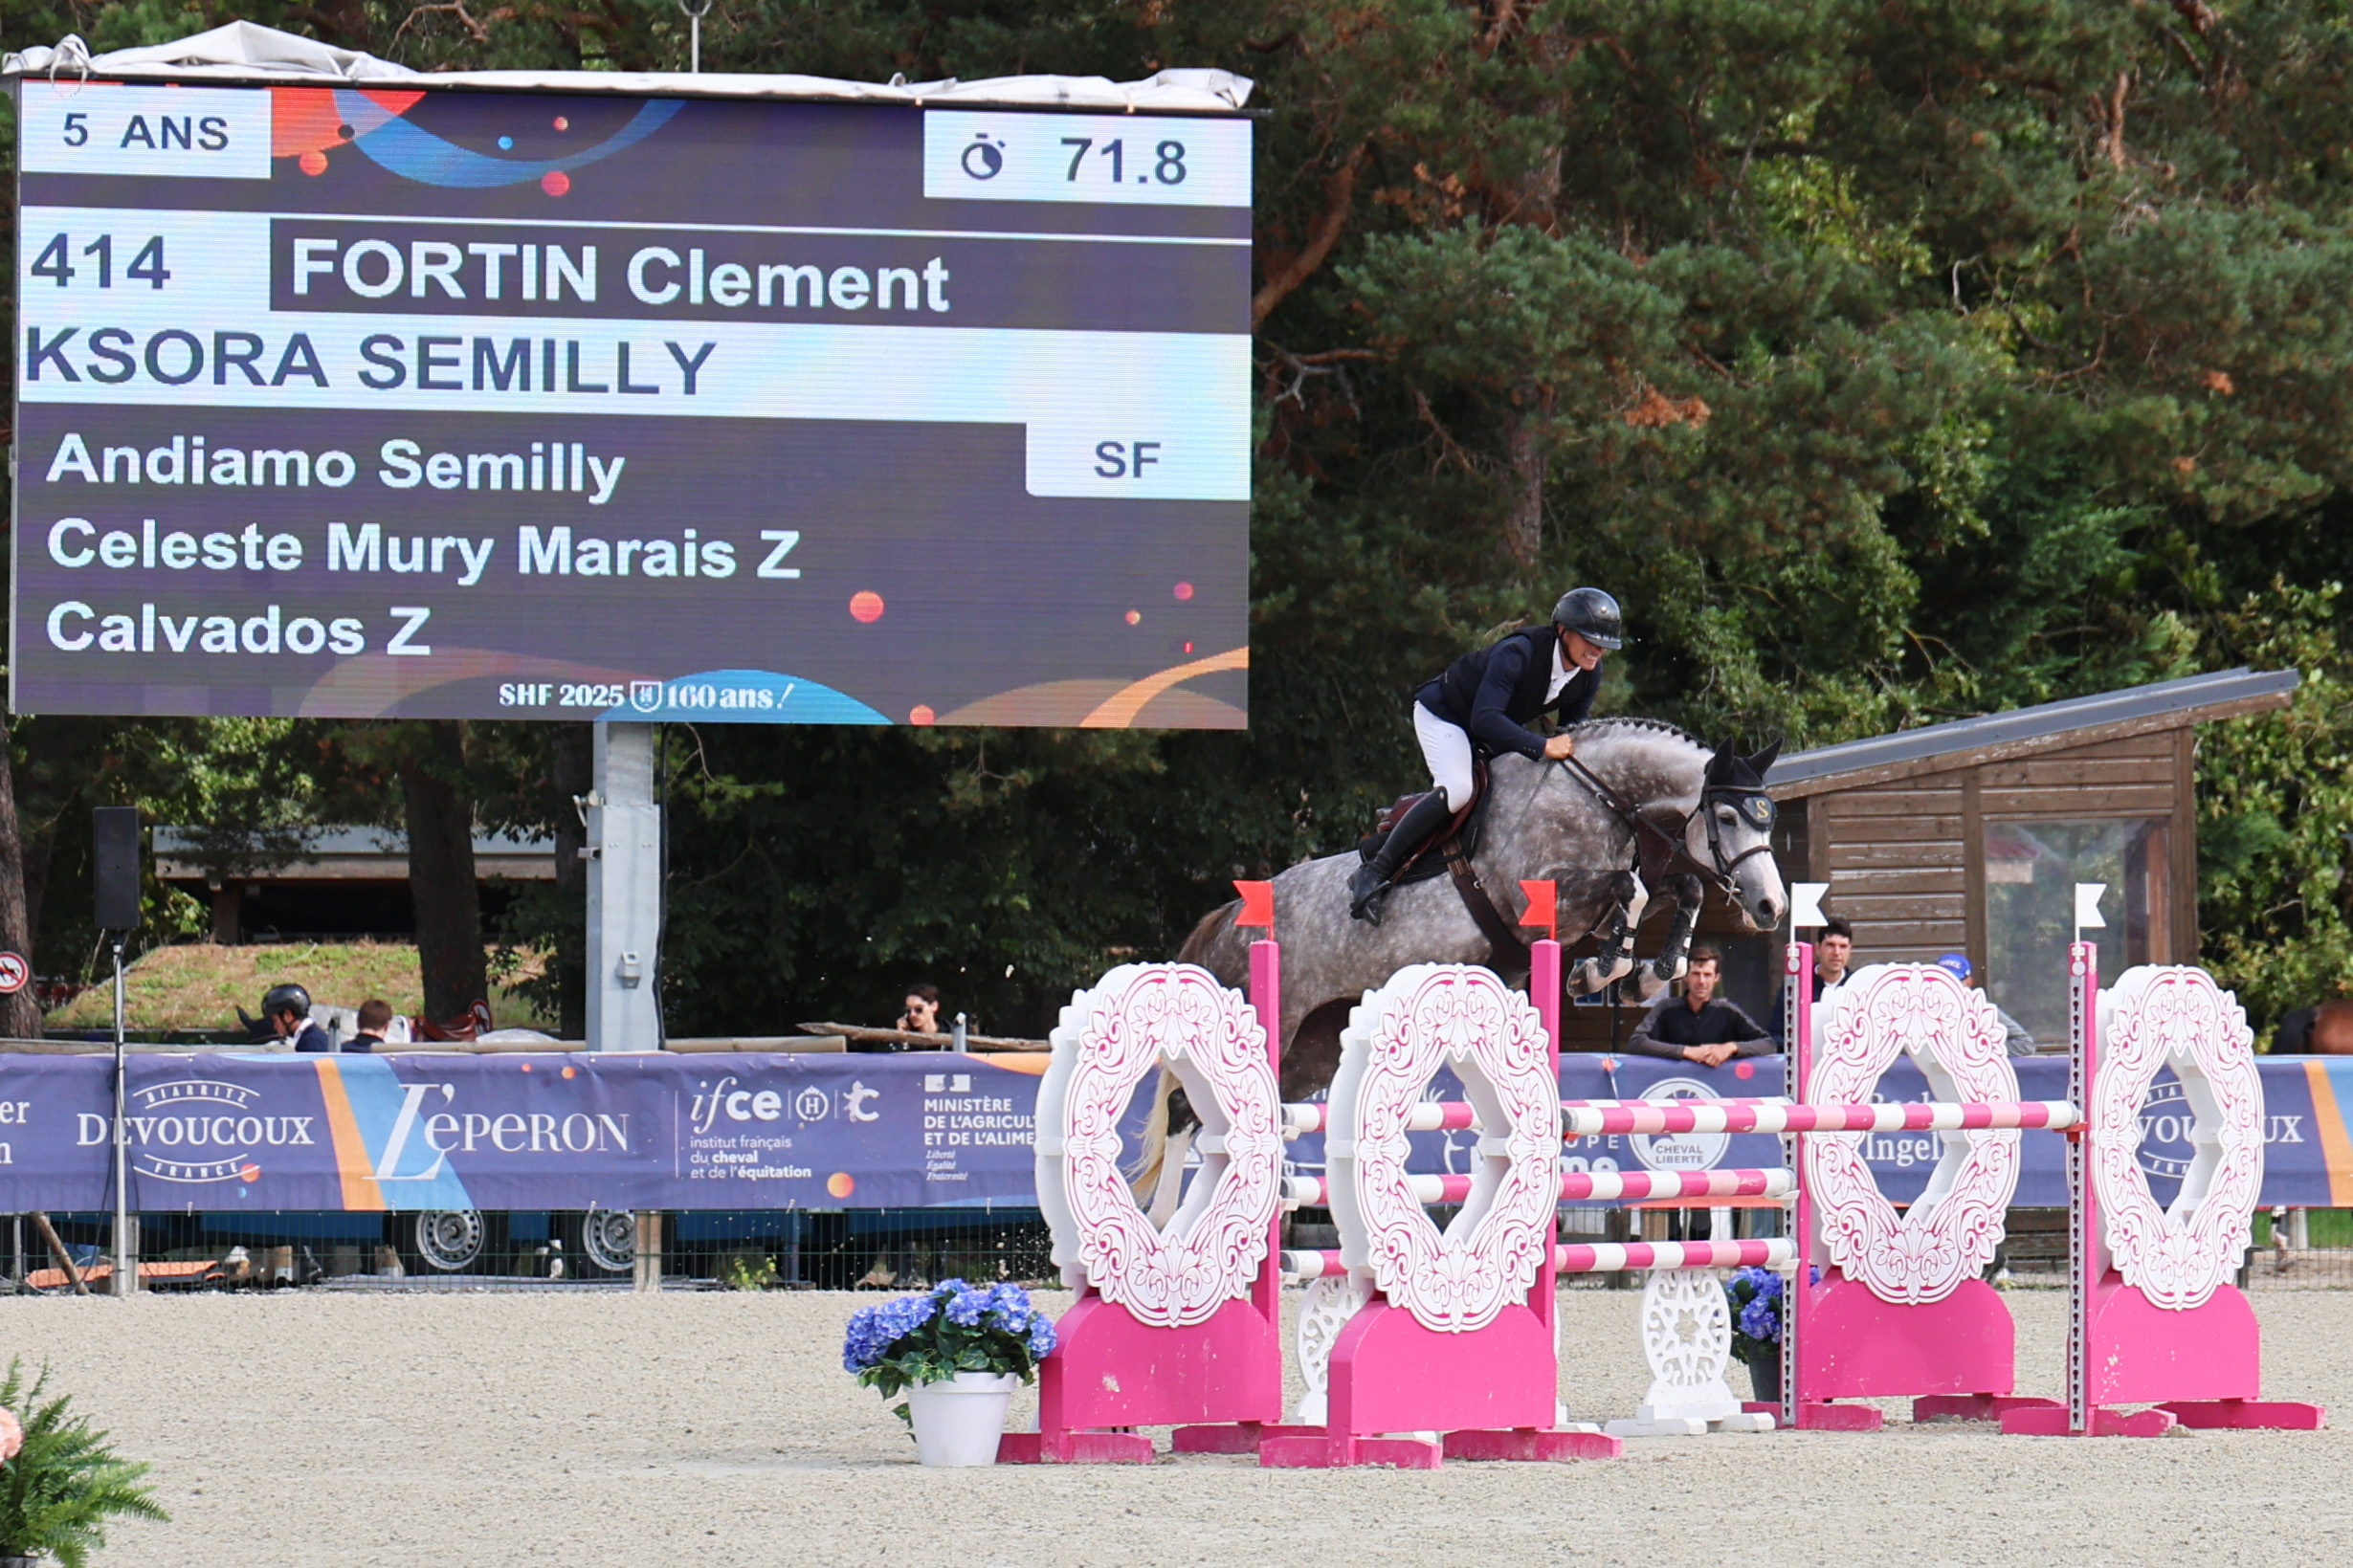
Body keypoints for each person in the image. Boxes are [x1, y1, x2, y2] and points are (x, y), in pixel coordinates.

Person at [1349, 587, 1624, 922]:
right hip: (1446, 715)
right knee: (1458, 790)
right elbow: (1485, 718)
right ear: (1563, 630)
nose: (1597, 650)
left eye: (1604, 645)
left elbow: (1569, 733)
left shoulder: (1589, 673)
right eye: (1590, 640)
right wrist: (1541, 746)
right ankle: (1373, 871)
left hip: (1489, 729)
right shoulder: (1518, 653)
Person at [1623, 946, 1776, 1067]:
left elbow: (1768, 1044)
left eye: (1707, 975)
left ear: (1716, 978)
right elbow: (1636, 1043)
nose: (1701, 981)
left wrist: (1730, 1048)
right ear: (1685, 976)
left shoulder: (1728, 1012)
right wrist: (1685, 1051)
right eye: (1696, 974)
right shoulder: (1665, 1009)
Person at [1768, 917, 1854, 1045]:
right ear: (1817, 948)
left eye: (1843, 946)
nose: (1837, 953)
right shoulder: (1797, 984)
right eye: (1830, 945)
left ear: (1850, 951)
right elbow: (1777, 1034)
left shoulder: (1856, 986)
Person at [1933, 953, 2037, 1055]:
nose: (1947, 986)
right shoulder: (1926, 1007)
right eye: (1942, 980)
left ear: (1968, 982)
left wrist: (1979, 1050)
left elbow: (2025, 1044)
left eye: (1953, 981)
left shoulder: (1981, 1008)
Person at [262, 983, 334, 1053]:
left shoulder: (310, 1043)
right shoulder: (311, 1036)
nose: (275, 1027)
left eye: (275, 1021)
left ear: (288, 1015)